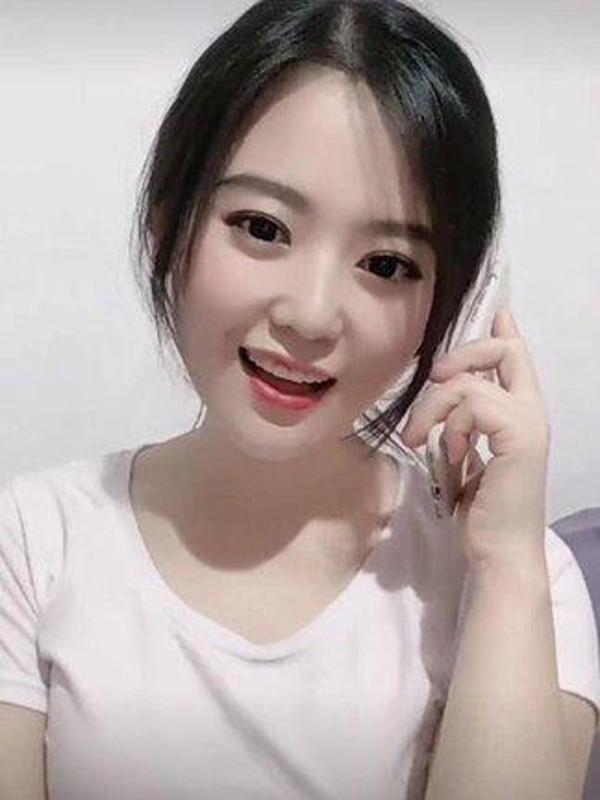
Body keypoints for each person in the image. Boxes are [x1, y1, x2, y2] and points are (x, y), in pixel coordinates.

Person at [1, 1, 598, 798]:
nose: (312, 317)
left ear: (448, 307)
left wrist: (507, 573)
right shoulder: (32, 545)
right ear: (165, 228)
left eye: (387, 265)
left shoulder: (519, 578)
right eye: (263, 227)